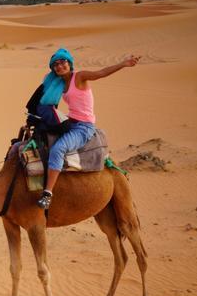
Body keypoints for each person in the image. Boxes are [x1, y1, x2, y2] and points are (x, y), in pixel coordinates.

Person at [35, 48, 140, 210]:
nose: (59, 66)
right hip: (71, 122)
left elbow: (102, 73)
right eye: (55, 64)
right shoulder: (59, 84)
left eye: (62, 62)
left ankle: (48, 193)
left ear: (69, 63)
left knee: (58, 149)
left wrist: (124, 64)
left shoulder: (80, 76)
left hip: (83, 128)